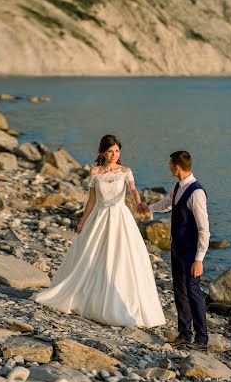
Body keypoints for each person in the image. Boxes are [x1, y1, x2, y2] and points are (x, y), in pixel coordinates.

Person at [31, 135, 165, 328]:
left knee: (123, 258)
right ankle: (90, 298)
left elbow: (133, 189)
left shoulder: (126, 171)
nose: (114, 154)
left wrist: (138, 203)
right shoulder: (95, 172)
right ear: (102, 152)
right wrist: (82, 221)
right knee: (93, 256)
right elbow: (92, 201)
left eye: (117, 151)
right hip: (99, 217)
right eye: (110, 151)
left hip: (121, 218)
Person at [139, 151, 210, 350]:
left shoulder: (196, 193)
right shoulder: (178, 186)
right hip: (177, 248)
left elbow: (204, 229)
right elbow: (167, 204)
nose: (169, 167)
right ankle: (184, 333)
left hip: (191, 252)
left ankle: (202, 339)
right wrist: (149, 208)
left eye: (170, 164)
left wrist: (199, 259)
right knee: (179, 290)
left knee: (193, 291)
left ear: (177, 166)